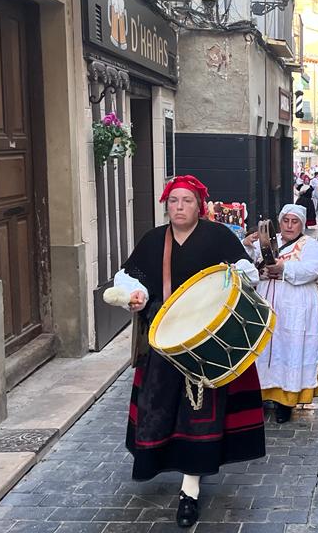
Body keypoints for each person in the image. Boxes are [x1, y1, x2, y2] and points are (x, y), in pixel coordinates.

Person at [115, 175, 264, 528]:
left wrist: (232, 283)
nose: (179, 207)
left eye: (187, 201)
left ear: (200, 206)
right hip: (163, 343)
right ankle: (167, 464)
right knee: (163, 409)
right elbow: (128, 278)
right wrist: (133, 296)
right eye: (174, 201)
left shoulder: (219, 237)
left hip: (206, 346)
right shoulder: (153, 240)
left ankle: (190, 490)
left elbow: (247, 274)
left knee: (201, 414)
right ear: (166, 205)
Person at [245, 204, 318, 424]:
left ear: (302, 224)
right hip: (265, 300)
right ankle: (259, 397)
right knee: (262, 348)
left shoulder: (311, 245)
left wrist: (285, 269)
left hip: (295, 303)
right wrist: (248, 248)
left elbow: (312, 270)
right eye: (286, 221)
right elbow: (248, 266)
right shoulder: (267, 241)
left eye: (295, 221)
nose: (290, 226)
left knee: (290, 347)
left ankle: (286, 401)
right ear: (279, 222)